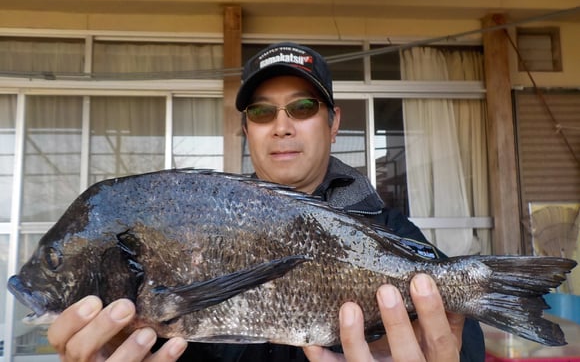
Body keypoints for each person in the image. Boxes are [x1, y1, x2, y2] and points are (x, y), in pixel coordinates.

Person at [47, 42, 485, 362]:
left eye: (302, 107)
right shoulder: (202, 230)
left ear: (334, 123)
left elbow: (463, 340)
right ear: (247, 130)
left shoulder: (392, 233)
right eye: (261, 112)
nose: (281, 126)